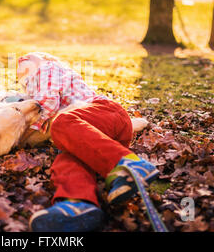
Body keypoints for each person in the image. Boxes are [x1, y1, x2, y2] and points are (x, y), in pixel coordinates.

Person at [16, 52, 159, 232]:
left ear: (43, 60)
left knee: (61, 123)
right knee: (68, 157)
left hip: (104, 112)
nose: (22, 69)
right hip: (93, 135)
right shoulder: (37, 81)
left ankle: (129, 165)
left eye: (26, 62)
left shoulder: (48, 68)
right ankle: (78, 204)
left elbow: (49, 104)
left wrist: (22, 137)